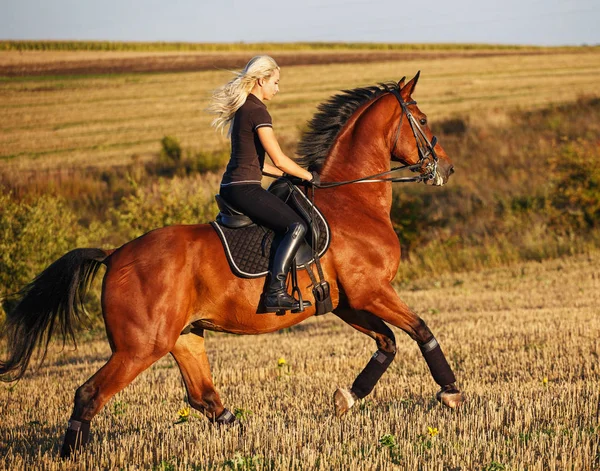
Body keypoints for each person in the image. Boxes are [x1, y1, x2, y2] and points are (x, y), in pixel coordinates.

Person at [207, 55, 318, 312]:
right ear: (261, 80)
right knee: (296, 225)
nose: (278, 88)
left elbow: (257, 164)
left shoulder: (244, 109)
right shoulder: (257, 110)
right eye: (275, 82)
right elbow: (279, 159)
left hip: (235, 185)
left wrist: (287, 176)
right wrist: (309, 176)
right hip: (244, 189)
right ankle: (275, 291)